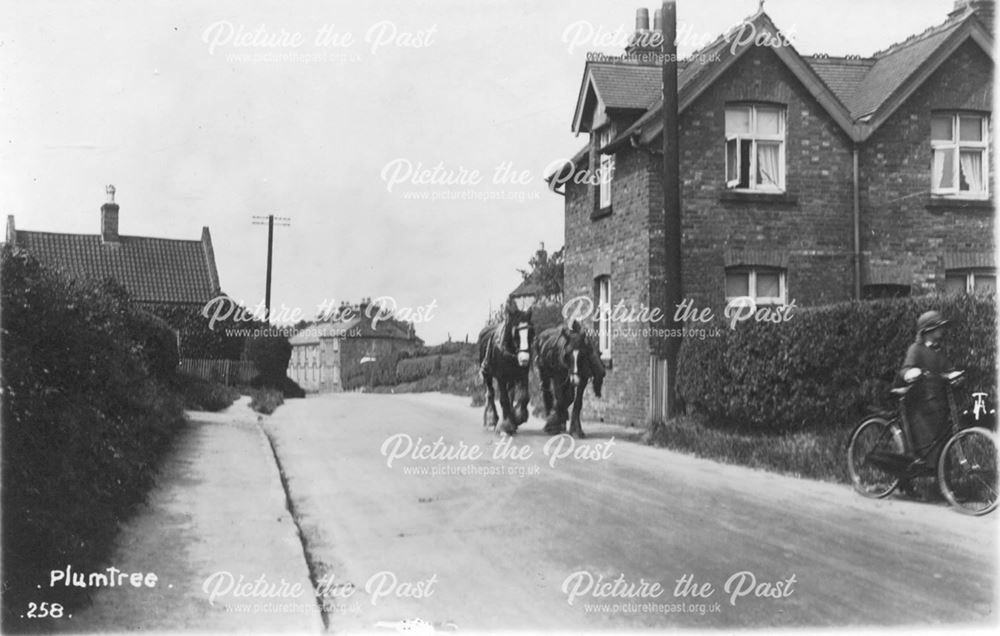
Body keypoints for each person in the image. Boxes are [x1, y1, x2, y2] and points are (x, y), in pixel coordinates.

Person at [899, 310, 956, 472]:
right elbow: (905, 370)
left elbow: (947, 369)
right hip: (921, 405)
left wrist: (953, 375)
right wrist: (911, 373)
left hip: (938, 403)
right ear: (928, 330)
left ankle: (941, 480)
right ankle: (926, 473)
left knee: (942, 439)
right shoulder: (916, 349)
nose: (942, 331)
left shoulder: (939, 352)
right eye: (939, 327)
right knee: (928, 441)